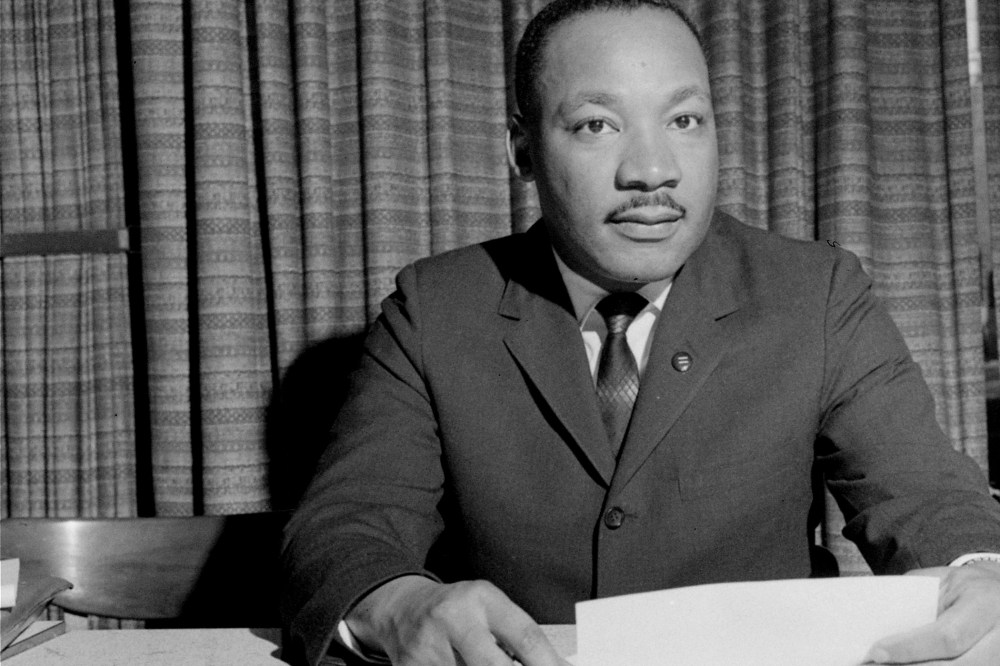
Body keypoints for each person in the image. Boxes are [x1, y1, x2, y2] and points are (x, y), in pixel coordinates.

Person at [280, 1, 1000, 664]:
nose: (653, 171)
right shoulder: (434, 309)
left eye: (685, 120)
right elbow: (348, 525)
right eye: (598, 124)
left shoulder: (816, 292)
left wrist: (980, 571)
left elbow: (929, 496)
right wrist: (399, 604)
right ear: (523, 150)